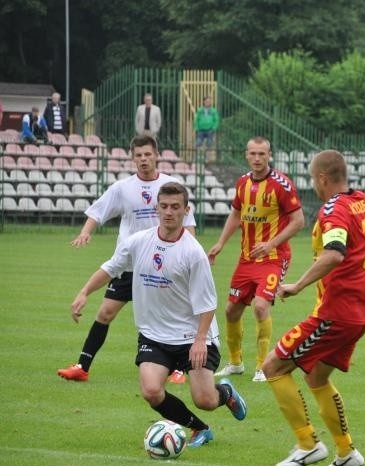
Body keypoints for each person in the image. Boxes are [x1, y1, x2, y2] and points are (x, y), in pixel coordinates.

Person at [70, 182, 247, 447]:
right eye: (163, 206)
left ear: (186, 211)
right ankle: (200, 429)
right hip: (154, 335)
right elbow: (110, 268)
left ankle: (225, 393)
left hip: (192, 335)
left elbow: (208, 303)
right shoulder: (139, 242)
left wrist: (200, 340)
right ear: (156, 208)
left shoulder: (193, 253)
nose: (169, 212)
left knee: (206, 400)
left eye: (175, 207)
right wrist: (85, 292)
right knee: (152, 391)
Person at [262, 149, 365, 466]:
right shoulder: (360, 200)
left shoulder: (333, 209)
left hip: (335, 314)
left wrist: (297, 285)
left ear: (323, 179)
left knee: (273, 366)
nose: (314, 184)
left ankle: (308, 444)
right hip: (358, 313)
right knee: (316, 375)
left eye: (314, 179)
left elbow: (335, 253)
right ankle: (346, 452)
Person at [58, 135, 194, 383]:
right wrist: (85, 232)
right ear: (133, 158)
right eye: (138, 155)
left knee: (172, 316)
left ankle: (180, 369)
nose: (143, 159)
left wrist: (188, 256)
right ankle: (82, 366)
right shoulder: (123, 188)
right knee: (105, 312)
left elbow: (189, 225)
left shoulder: (171, 186)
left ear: (157, 155)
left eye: (147, 154)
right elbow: (99, 211)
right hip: (129, 264)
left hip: (163, 266)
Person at [208, 137, 304, 382]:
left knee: (260, 306)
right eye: (253, 153)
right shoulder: (242, 183)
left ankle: (262, 367)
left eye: (262, 153)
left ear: (269, 155)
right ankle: (235, 363)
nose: (257, 158)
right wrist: (220, 243)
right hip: (246, 260)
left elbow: (299, 222)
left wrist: (271, 243)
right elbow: (236, 214)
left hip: (274, 258)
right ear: (246, 155)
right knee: (231, 311)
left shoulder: (282, 185)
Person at [194, 96, 219, 160]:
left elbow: (216, 120)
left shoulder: (213, 111)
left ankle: (207, 158)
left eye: (209, 101)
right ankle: (197, 157)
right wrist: (196, 128)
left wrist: (214, 128)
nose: (208, 102)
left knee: (209, 144)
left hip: (210, 130)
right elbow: (196, 119)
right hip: (201, 130)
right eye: (207, 101)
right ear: (204, 102)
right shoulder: (200, 110)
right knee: (198, 143)